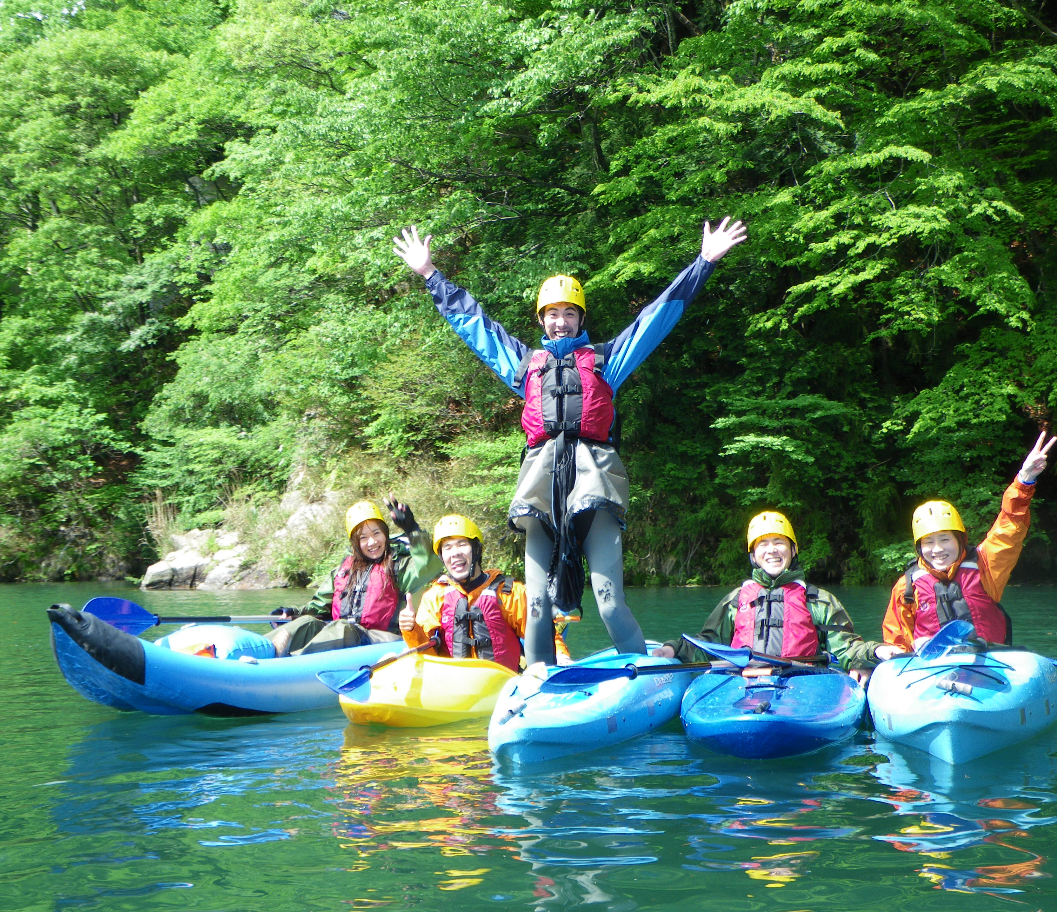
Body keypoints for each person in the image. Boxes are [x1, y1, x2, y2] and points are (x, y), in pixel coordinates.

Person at [393, 218, 749, 666]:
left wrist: (704, 262)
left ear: (580, 318)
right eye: (552, 314)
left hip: (594, 484)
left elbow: (658, 316)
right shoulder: (525, 367)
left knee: (608, 599)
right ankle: (539, 676)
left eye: (569, 313)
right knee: (538, 603)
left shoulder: (606, 361)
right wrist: (430, 275)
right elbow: (474, 325)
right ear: (542, 320)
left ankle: (647, 675)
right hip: (541, 487)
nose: (561, 322)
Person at [651, 511, 897, 686]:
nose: (771, 550)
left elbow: (846, 646)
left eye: (778, 542)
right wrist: (674, 648)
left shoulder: (818, 600)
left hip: (802, 681)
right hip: (742, 681)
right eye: (763, 545)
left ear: (792, 550)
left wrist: (873, 652)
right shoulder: (735, 600)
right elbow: (710, 643)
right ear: (754, 556)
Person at [882, 432, 1057, 652]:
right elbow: (896, 641)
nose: (937, 549)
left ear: (960, 540)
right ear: (919, 547)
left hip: (989, 664)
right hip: (932, 672)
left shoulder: (985, 566)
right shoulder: (906, 587)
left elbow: (1009, 528)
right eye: (928, 542)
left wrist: (1024, 481)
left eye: (945, 539)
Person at [267, 497, 437, 657]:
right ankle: (261, 648)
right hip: (344, 638)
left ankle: (288, 661)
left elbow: (430, 566)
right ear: (355, 542)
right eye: (363, 538)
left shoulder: (399, 568)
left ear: (385, 534)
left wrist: (412, 529)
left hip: (381, 642)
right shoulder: (343, 570)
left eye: (376, 533)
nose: (372, 542)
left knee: (343, 628)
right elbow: (319, 605)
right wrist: (293, 613)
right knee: (308, 623)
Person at [398, 514, 569, 671]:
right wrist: (411, 629)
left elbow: (543, 635)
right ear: (442, 557)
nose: (455, 553)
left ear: (477, 549)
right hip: (453, 688)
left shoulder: (510, 592)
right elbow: (426, 655)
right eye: (447, 548)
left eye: (462, 544)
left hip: (502, 686)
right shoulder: (434, 597)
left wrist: (561, 655)